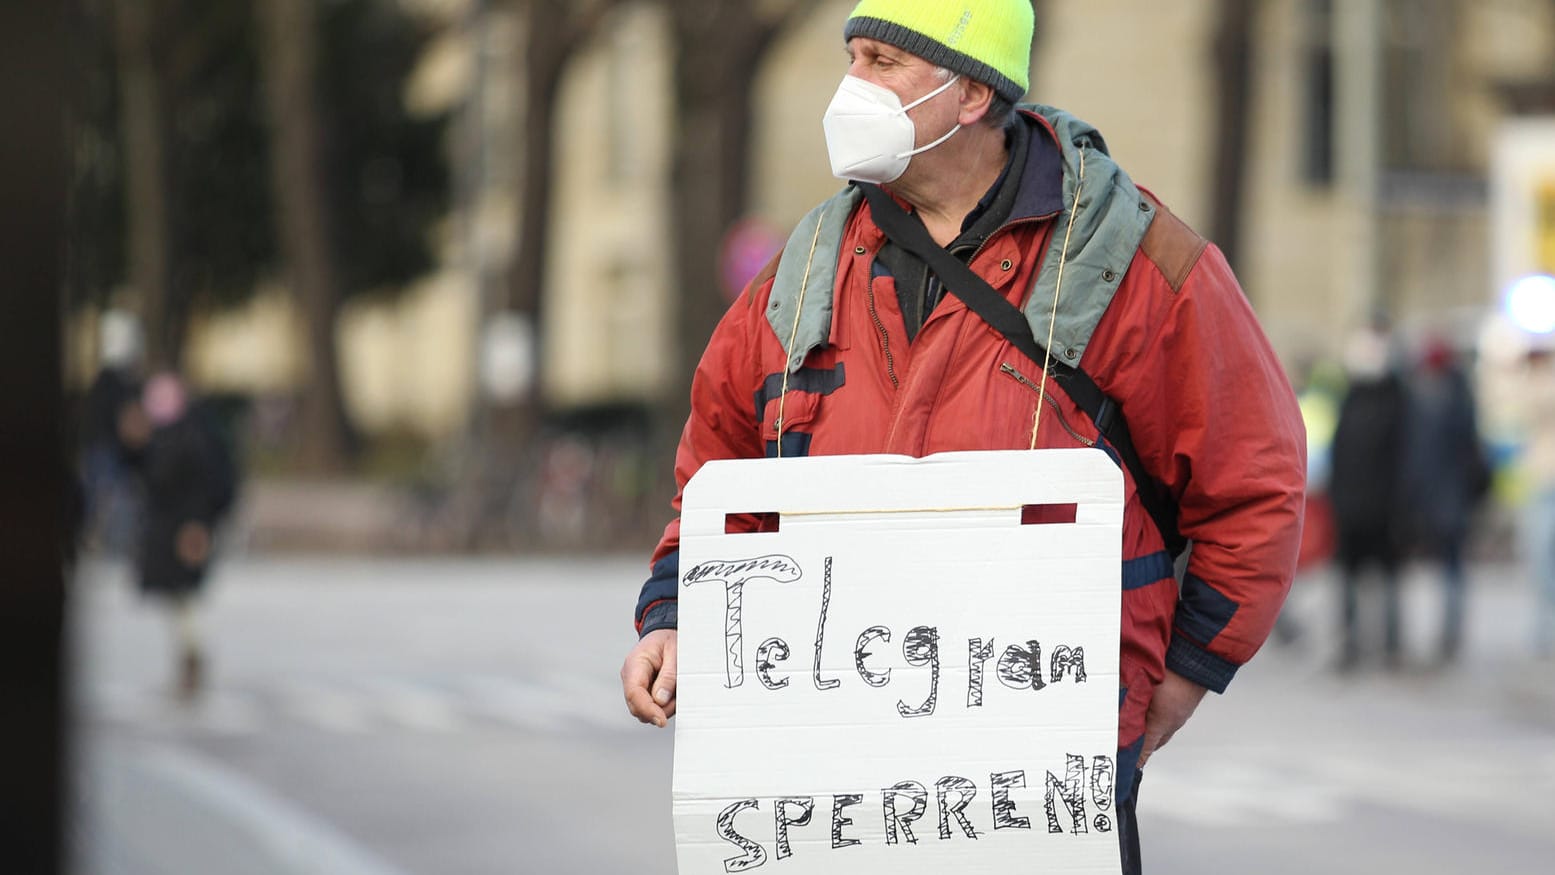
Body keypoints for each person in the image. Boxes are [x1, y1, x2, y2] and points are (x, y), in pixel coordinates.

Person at [619, 2, 1306, 870]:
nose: (850, 87)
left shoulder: (1140, 267)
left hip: (1041, 760)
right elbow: (718, 471)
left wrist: (1180, 678)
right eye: (852, 57)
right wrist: (673, 617)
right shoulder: (802, 273)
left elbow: (1254, 483)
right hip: (834, 763)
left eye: (882, 62)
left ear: (972, 91)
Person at [126, 372, 238, 699]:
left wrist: (198, 525)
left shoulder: (192, 436)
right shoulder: (163, 435)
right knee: (176, 596)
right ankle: (187, 655)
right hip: (166, 529)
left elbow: (205, 485)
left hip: (183, 529)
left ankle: (190, 656)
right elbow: (146, 476)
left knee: (183, 594)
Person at [1400, 336, 1487, 664]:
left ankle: (1449, 634)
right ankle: (1441, 634)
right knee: (1445, 570)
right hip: (1436, 499)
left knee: (1450, 570)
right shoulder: (1446, 397)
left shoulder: (1441, 399)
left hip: (1446, 500)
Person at [1327, 323, 1408, 670]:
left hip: (1386, 509)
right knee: (1349, 583)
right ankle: (1350, 645)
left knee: (1388, 580)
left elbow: (1406, 459)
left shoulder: (1399, 402)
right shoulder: (1351, 400)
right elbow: (1339, 454)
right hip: (1350, 508)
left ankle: (1390, 646)